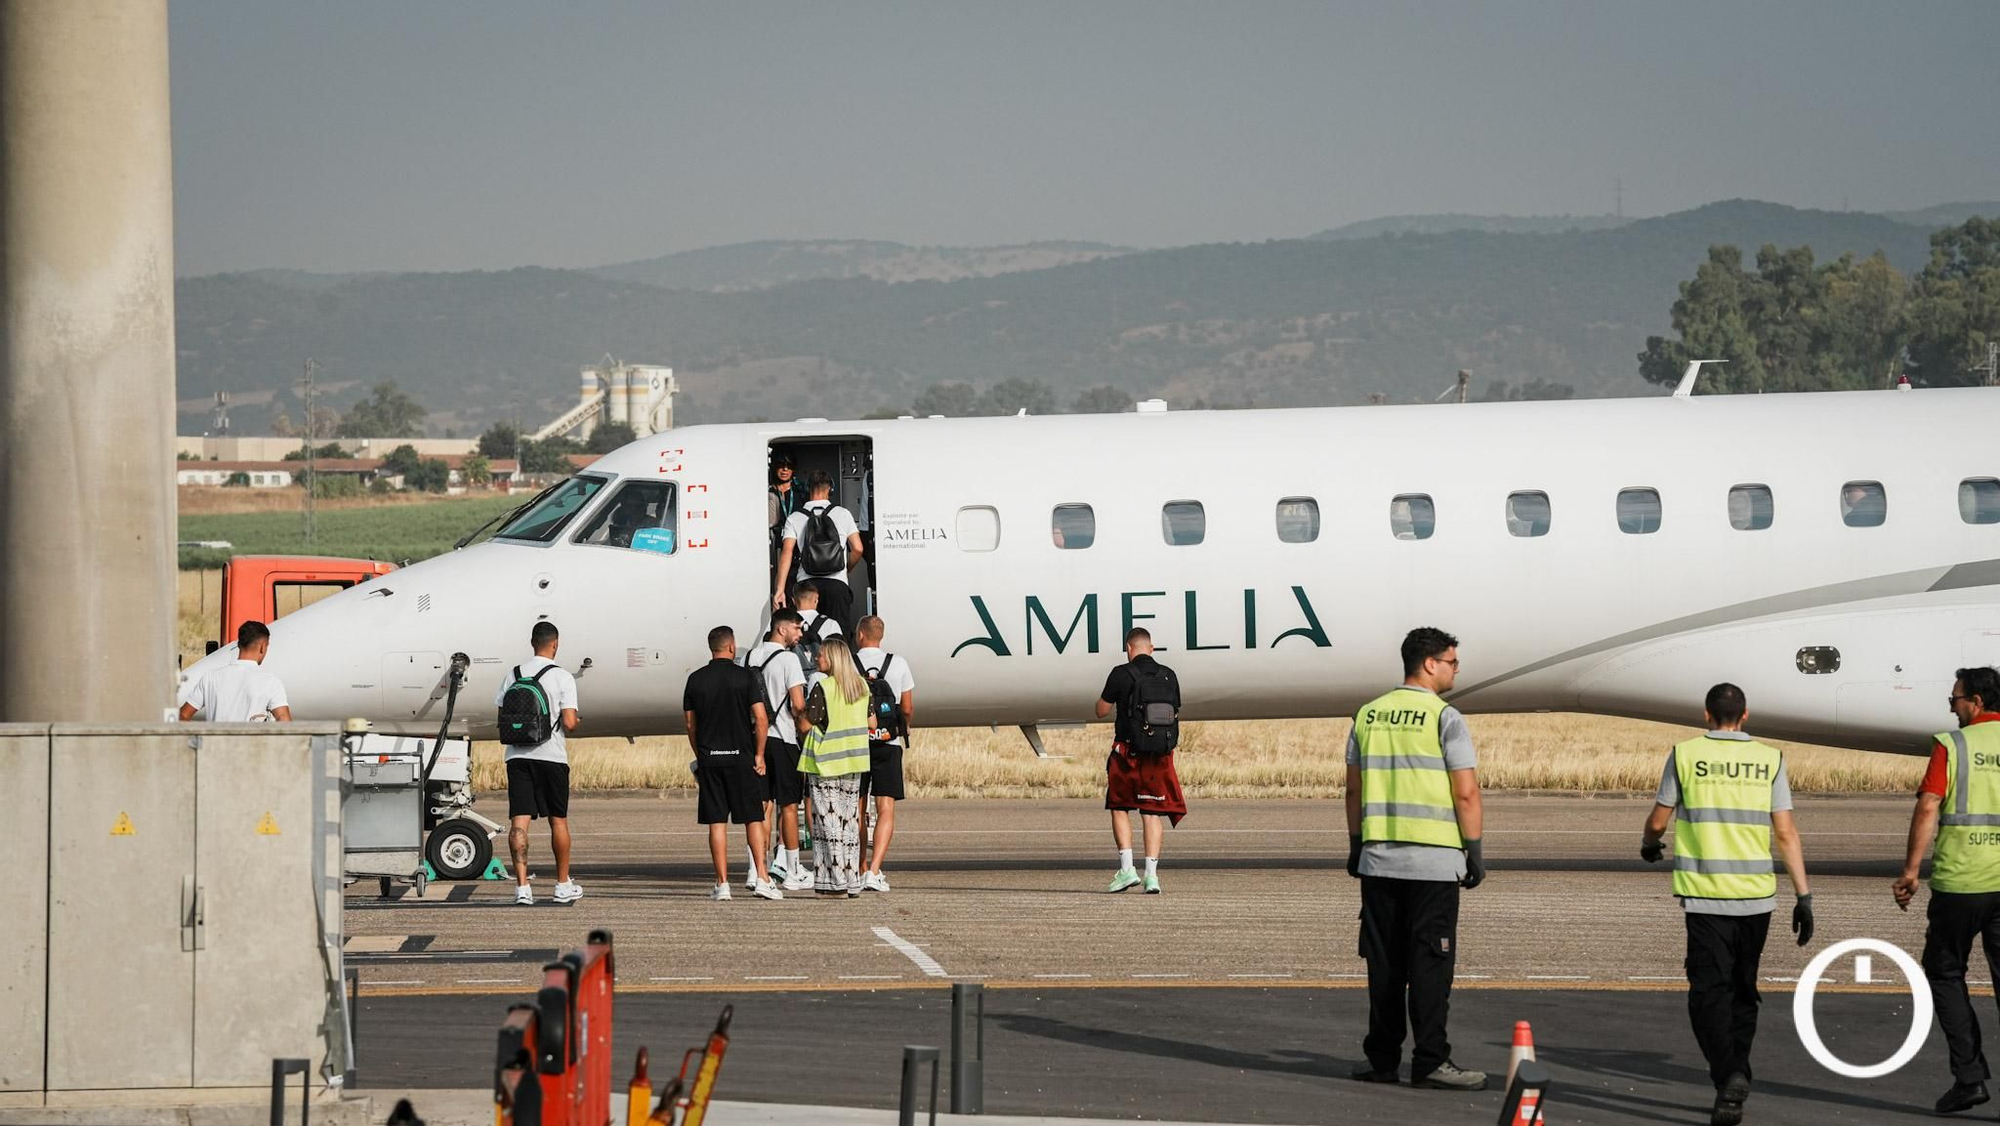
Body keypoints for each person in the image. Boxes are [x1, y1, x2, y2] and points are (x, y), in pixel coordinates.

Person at [1641, 683, 1813, 1126]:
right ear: (1746, 715)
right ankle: (1734, 1081)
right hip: (1756, 898)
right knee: (1743, 991)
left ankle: (1729, 1074)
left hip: (1706, 895)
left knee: (1706, 994)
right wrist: (1804, 895)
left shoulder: (1684, 755)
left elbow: (1660, 819)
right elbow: (1787, 833)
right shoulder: (1770, 759)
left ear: (1706, 715)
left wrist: (1649, 843)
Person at [1345, 627, 1486, 1091]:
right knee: (1429, 966)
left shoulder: (1367, 715)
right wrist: (1475, 850)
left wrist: (1356, 844)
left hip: (1379, 862)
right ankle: (1430, 1061)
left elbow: (1354, 789)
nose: (1455, 668)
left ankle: (1382, 1060)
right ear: (1429, 664)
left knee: (1384, 966)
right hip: (1433, 863)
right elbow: (1466, 791)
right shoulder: (1445, 717)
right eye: (1451, 661)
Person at [1894, 665, 2000, 1116]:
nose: (1952, 707)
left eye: (1955, 699)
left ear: (1975, 702)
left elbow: (1928, 807)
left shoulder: (1951, 745)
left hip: (1960, 883)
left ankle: (1969, 1077)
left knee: (1943, 972)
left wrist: (1911, 871)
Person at [682, 625, 780, 901]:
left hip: (711, 758)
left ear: (711, 648)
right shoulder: (745, 677)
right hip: (742, 758)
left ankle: (722, 883)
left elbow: (691, 723)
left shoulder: (696, 680)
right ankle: (761, 876)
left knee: (716, 823)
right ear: (732, 647)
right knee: (753, 819)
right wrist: (759, 754)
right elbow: (761, 718)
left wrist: (701, 753)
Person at [494, 621, 582, 907]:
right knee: (558, 821)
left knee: (519, 821)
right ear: (555, 644)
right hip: (551, 756)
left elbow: (502, 715)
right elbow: (569, 722)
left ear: (532, 643)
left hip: (518, 756)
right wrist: (576, 721)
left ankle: (522, 888)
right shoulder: (562, 677)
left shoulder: (513, 674)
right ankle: (562, 884)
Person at [1096, 627, 1185, 894]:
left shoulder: (1120, 674)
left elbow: (1101, 710)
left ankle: (1126, 870)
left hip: (1127, 755)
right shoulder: (1169, 675)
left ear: (1128, 648)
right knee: (1152, 812)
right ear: (1152, 648)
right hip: (1159, 756)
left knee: (1120, 807)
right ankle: (1152, 876)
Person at [742, 609, 814, 892]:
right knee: (788, 806)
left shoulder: (748, 657)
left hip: (755, 740)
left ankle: (755, 870)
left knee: (760, 807)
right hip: (783, 738)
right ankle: (793, 870)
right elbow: (797, 704)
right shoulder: (788, 659)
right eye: (797, 628)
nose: (800, 634)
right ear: (782, 629)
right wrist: (805, 725)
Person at [799, 637, 873, 897]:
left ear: (831, 659)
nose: (816, 659)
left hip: (826, 762)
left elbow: (806, 724)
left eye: (820, 656)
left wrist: (799, 712)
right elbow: (872, 722)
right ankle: (853, 880)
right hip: (854, 760)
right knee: (850, 822)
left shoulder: (824, 687)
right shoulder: (862, 686)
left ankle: (834, 881)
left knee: (827, 824)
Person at [854, 615, 916, 892]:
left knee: (857, 809)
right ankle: (875, 871)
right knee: (885, 808)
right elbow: (906, 707)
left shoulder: (849, 663)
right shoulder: (898, 663)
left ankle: (860, 866)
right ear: (881, 636)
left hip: (857, 743)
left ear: (860, 635)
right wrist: (904, 729)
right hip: (888, 744)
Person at [773, 469, 864, 633]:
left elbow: (786, 553)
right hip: (837, 585)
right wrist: (845, 568)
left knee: (803, 637)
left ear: (808, 489)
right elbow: (858, 548)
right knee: (837, 639)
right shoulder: (843, 514)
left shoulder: (794, 517)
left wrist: (780, 589)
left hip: (805, 587)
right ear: (830, 489)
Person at [178, 620, 292, 722]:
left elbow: (183, 715)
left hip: (214, 745)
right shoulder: (270, 682)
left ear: (238, 645)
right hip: (251, 745)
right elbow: (284, 720)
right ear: (263, 646)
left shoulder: (210, 677)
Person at [768, 454, 797, 563]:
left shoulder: (800, 492)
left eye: (788, 466)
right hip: (775, 542)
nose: (785, 469)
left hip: (796, 541)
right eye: (781, 465)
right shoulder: (768, 492)